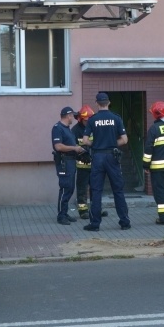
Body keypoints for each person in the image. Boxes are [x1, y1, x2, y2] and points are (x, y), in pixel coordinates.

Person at [82, 92, 131, 231]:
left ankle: (95, 224)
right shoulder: (116, 118)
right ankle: (124, 222)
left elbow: (85, 140)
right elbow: (125, 139)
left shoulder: (92, 119)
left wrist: (96, 143)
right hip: (112, 157)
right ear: (109, 103)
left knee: (96, 191)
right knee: (118, 190)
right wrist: (111, 143)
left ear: (97, 103)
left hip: (97, 157)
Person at [72, 104, 106, 220]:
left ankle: (96, 210)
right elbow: (73, 148)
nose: (88, 122)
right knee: (82, 188)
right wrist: (81, 156)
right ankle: (83, 211)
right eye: (86, 120)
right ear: (80, 119)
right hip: (82, 166)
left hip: (95, 164)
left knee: (96, 189)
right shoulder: (75, 130)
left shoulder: (94, 127)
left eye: (89, 120)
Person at [51, 106, 84, 225]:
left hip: (70, 161)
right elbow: (58, 146)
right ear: (68, 115)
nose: (74, 118)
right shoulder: (58, 128)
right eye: (72, 116)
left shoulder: (67, 128)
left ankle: (64, 212)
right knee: (65, 187)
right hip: (64, 162)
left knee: (70, 188)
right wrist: (74, 148)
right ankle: (61, 216)